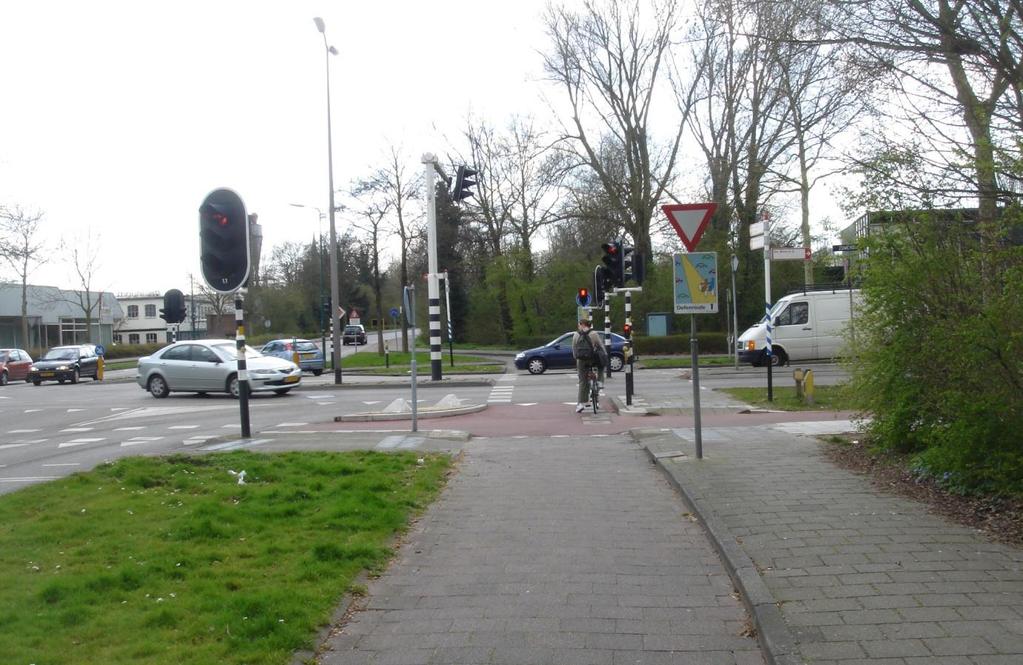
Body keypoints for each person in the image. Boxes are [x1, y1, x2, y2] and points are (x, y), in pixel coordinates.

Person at [572, 318, 609, 413]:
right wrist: (605, 356)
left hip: (581, 361)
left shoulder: (576, 334)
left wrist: (577, 359)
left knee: (582, 381)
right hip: (593, 359)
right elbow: (601, 346)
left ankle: (580, 404)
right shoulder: (594, 334)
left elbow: (574, 349)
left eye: (579, 324)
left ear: (582, 325)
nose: (578, 326)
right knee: (601, 365)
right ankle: (600, 382)